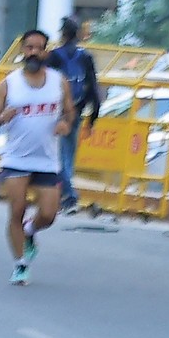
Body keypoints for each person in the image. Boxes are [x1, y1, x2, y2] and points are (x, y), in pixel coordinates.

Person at [0, 29, 74, 283]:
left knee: (48, 214)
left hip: (47, 160)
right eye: (29, 47)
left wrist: (65, 123)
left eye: (39, 48)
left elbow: (69, 112)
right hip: (16, 158)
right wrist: (1, 118)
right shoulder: (8, 84)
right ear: (22, 50)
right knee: (17, 209)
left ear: (46, 52)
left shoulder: (59, 81)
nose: (34, 52)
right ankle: (20, 264)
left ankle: (30, 230)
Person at [52, 18, 103, 206]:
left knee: (57, 155)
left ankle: (69, 194)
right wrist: (93, 117)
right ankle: (64, 194)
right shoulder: (85, 57)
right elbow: (93, 89)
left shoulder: (54, 56)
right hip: (77, 110)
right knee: (68, 155)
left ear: (63, 34)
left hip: (55, 112)